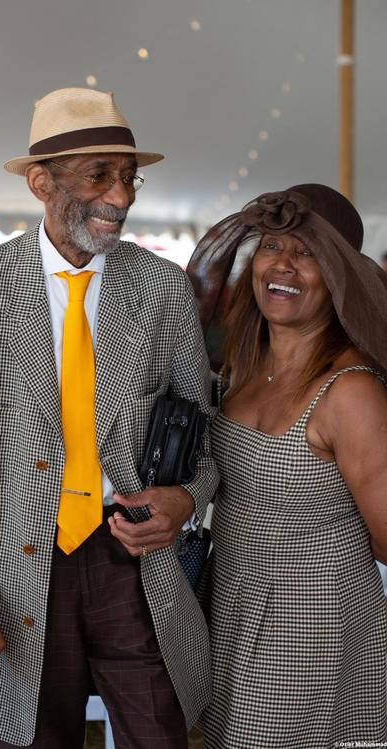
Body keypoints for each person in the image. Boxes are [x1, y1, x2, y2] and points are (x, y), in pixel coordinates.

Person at [0, 87, 219, 749]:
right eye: (100, 175)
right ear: (40, 182)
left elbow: (204, 437)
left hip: (135, 565)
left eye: (129, 176)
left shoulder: (163, 290)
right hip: (12, 570)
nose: (123, 195)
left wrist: (185, 497)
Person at [186, 184, 387, 748]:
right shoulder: (242, 365)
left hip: (312, 627)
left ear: (340, 276)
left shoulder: (350, 393)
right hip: (229, 603)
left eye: (308, 254)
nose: (284, 265)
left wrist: (310, 552)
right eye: (273, 246)